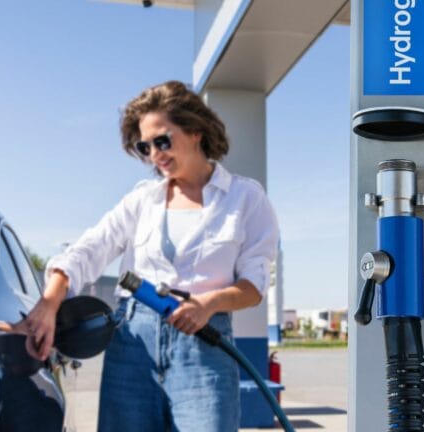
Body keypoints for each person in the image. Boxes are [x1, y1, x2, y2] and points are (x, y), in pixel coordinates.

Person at [22, 80, 279, 432]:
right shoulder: (142, 200)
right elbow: (88, 249)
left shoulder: (245, 198)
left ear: (195, 131)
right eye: (144, 147)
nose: (154, 154)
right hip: (133, 345)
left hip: (204, 347)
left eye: (162, 141)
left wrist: (209, 303)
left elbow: (254, 285)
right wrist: (49, 302)